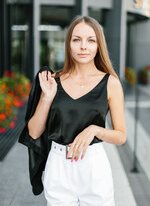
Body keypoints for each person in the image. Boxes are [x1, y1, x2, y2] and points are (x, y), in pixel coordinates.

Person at [26, 15, 126, 206]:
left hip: (94, 166)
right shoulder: (53, 81)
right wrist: (47, 97)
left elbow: (121, 136)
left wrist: (94, 130)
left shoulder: (110, 83)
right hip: (58, 167)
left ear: (98, 45)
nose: (83, 46)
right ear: (68, 44)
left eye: (90, 40)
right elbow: (34, 132)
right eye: (76, 40)